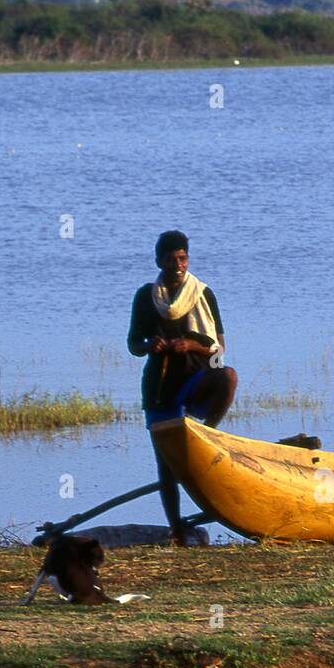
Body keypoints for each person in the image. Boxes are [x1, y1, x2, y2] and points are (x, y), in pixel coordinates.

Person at [128, 230, 238, 545]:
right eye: (171, 258)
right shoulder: (146, 297)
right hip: (160, 387)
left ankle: (207, 433)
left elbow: (219, 347)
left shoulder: (203, 293)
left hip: (196, 379)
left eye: (182, 257)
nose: (178, 264)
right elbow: (133, 344)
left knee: (228, 376)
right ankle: (176, 531)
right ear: (158, 261)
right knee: (167, 467)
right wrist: (152, 344)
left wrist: (190, 344)